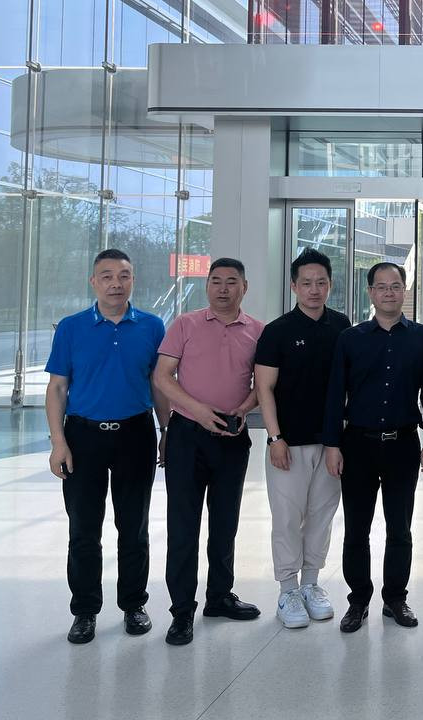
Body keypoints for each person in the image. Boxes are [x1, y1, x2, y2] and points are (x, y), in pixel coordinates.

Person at [45, 249, 167, 644]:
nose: (116, 283)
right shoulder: (72, 327)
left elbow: (159, 385)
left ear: (133, 280)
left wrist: (166, 431)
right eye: (107, 276)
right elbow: (57, 388)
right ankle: (84, 611)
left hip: (136, 434)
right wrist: (58, 442)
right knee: (83, 529)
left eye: (124, 275)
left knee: (134, 527)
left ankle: (134, 604)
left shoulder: (152, 326)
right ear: (93, 281)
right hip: (84, 437)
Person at [323, 261, 423, 633]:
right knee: (356, 529)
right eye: (381, 287)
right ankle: (358, 601)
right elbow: (335, 394)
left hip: (403, 444)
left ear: (404, 291)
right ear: (371, 292)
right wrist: (332, 445)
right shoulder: (351, 338)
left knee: (400, 528)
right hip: (357, 445)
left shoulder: (422, 337)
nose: (389, 292)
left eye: (395, 286)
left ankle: (395, 598)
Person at [155, 257, 265, 646]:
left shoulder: (258, 331)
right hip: (188, 434)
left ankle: (219, 596)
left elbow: (264, 383)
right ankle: (182, 610)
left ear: (244, 287)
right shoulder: (184, 325)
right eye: (215, 281)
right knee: (183, 524)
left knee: (225, 522)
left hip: (232, 437)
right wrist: (198, 411)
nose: (223, 288)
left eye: (231, 281)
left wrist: (245, 408)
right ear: (207, 286)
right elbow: (162, 376)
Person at [253, 248, 351, 629]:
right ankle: (287, 590)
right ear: (294, 286)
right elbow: (264, 388)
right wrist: (275, 437)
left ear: (330, 285)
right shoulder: (277, 331)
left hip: (331, 443)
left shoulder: (342, 327)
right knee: (287, 518)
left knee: (322, 516)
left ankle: (311, 583)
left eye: (321, 282)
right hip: (288, 444)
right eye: (306, 283)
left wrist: (338, 440)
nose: (314, 289)